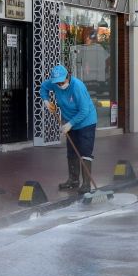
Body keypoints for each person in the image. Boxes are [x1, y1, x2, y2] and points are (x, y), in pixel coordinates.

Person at [40, 65, 98, 194]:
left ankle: (86, 185)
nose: (60, 84)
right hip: (70, 122)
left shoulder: (77, 86)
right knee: (72, 152)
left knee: (85, 151)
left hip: (86, 122)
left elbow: (84, 110)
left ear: (68, 77)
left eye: (62, 81)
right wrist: (46, 101)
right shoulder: (54, 83)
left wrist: (70, 124)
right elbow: (43, 88)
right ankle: (73, 180)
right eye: (57, 82)